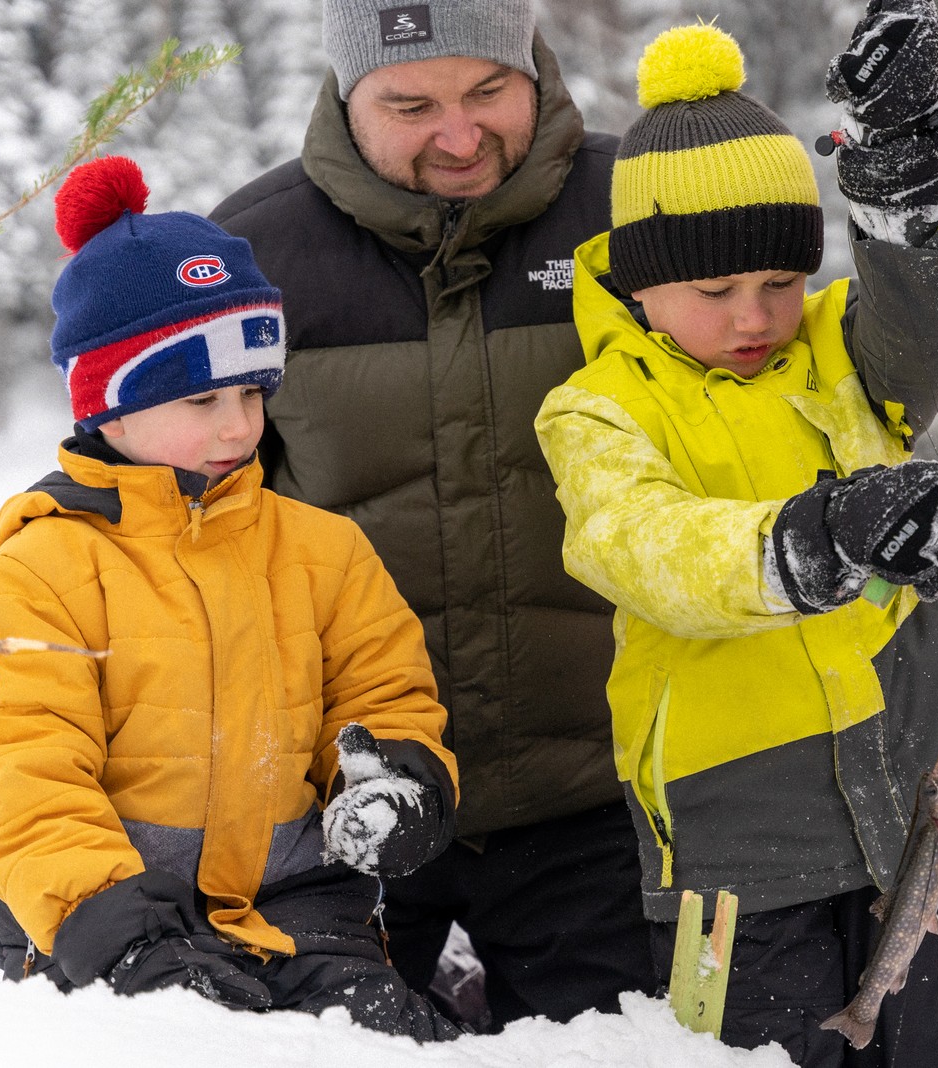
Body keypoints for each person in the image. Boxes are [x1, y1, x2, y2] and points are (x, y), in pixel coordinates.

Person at [532, 9, 938, 1066]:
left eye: (779, 281)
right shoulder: (593, 413)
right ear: (640, 284)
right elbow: (648, 548)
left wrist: (909, 185)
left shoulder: (842, 348)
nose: (754, 317)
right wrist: (828, 535)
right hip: (737, 847)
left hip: (922, 797)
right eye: (714, 291)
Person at [0, 157, 462, 1041]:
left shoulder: (321, 549)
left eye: (254, 392)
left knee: (386, 1037)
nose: (238, 426)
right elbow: (19, 766)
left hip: (295, 906)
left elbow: (384, 693)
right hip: (104, 930)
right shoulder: (47, 563)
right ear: (109, 406)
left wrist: (390, 782)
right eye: (202, 396)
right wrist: (115, 928)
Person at [208, 0, 657, 1028]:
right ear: (345, 94)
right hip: (346, 812)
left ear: (532, 72)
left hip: (596, 801)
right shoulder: (250, 253)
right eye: (410, 104)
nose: (459, 137)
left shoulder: (633, 207)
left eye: (489, 92)